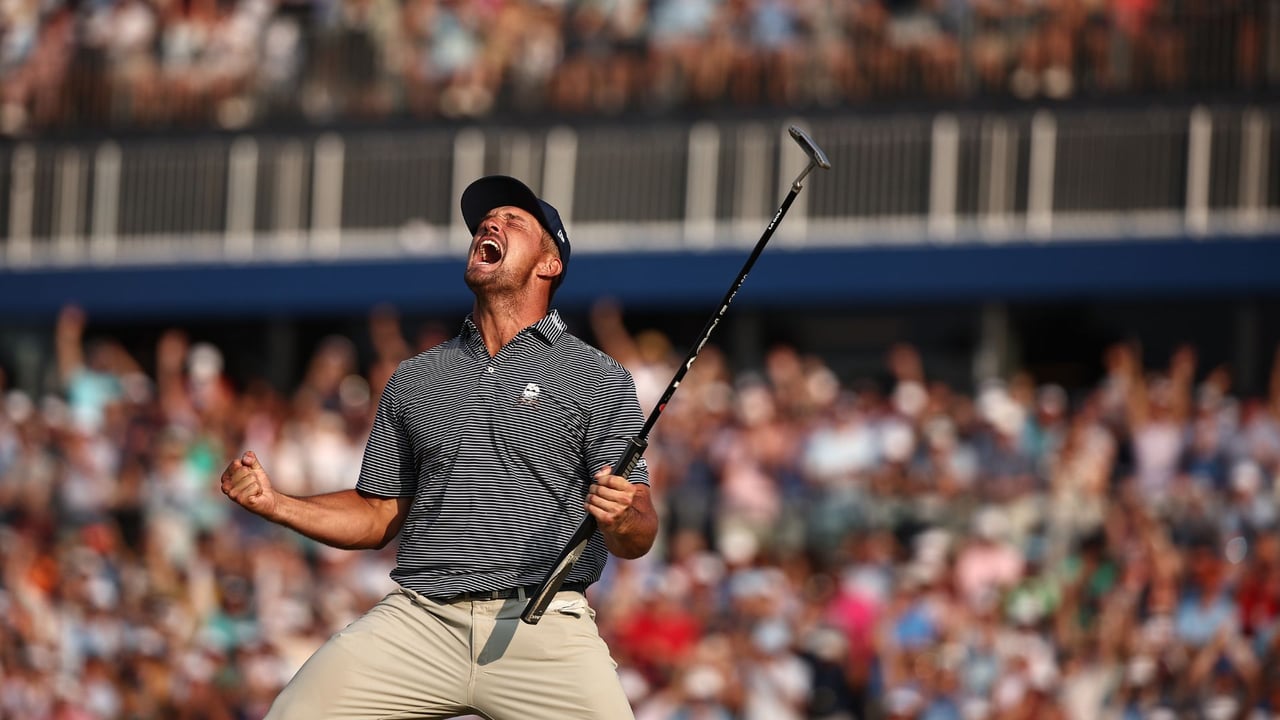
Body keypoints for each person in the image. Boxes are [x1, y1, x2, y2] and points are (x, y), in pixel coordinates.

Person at [219, 175, 659, 719]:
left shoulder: (596, 374)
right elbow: (379, 513)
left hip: (544, 627)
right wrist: (276, 503)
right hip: (420, 619)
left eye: (514, 221)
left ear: (550, 264)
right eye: (484, 222)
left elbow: (639, 530)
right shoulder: (415, 377)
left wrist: (623, 518)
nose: (489, 225)